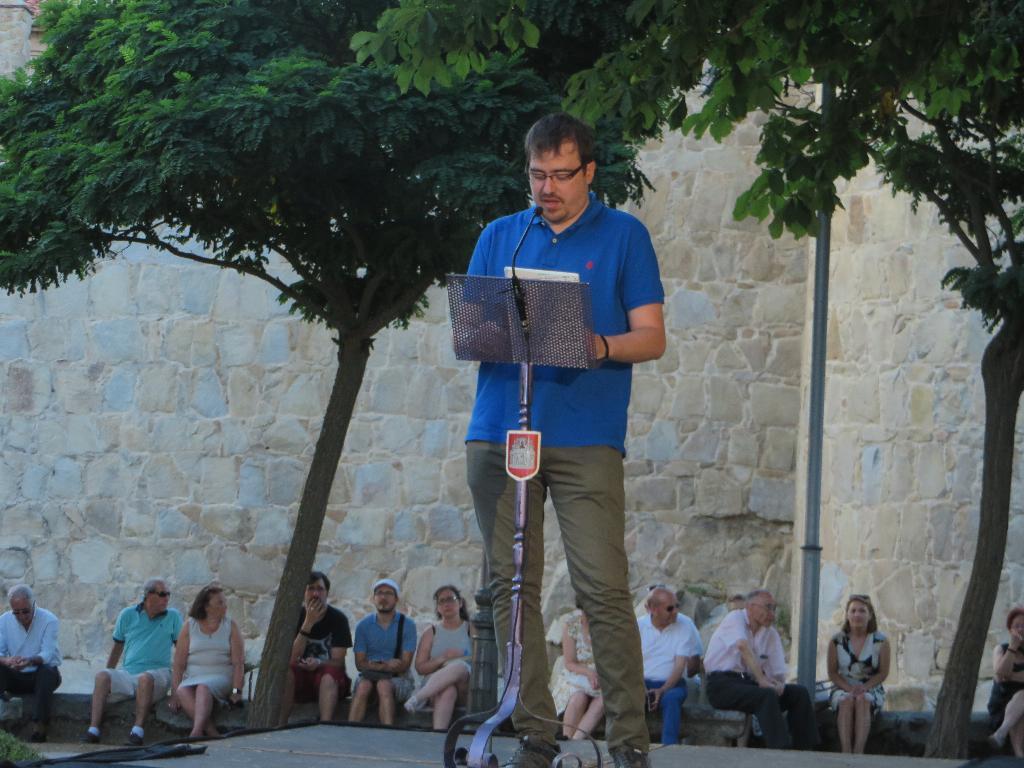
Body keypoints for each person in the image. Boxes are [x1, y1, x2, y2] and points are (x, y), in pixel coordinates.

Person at [466, 112, 665, 768]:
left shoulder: (624, 236)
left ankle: (629, 743)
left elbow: (652, 337)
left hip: (585, 436)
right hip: (501, 431)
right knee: (510, 588)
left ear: (590, 172)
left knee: (602, 588)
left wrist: (597, 344)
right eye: (537, 175)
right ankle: (534, 735)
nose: (547, 188)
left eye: (561, 175)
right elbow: (472, 329)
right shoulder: (502, 236)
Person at [704, 589, 818, 750]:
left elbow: (777, 671)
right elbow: (743, 646)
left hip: (749, 684)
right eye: (768, 607)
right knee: (766, 695)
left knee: (798, 693)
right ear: (750, 607)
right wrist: (763, 680)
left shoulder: (770, 634)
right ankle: (781, 749)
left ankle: (805, 749)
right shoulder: (735, 618)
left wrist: (778, 684)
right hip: (722, 684)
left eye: (774, 608)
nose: (772, 614)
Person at [82, 577, 183, 746]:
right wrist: (109, 674)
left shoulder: (173, 616)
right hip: (129, 673)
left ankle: (137, 731)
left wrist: (176, 691)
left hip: (159, 673)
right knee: (102, 676)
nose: (167, 598)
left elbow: (181, 653)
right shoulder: (127, 615)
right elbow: (117, 648)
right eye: (162, 594)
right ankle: (93, 730)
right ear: (148, 595)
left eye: (168, 594)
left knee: (145, 678)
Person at [169, 583, 244, 738]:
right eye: (220, 602)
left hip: (221, 677)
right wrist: (174, 693)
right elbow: (179, 664)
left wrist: (236, 691)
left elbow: (238, 663)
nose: (225, 606)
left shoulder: (230, 626)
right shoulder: (190, 626)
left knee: (203, 687)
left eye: (224, 602)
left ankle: (196, 732)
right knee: (182, 690)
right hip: (194, 677)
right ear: (206, 607)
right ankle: (210, 731)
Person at [279, 571, 352, 725]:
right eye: (311, 588)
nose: (315, 594)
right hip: (300, 679)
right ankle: (279, 725)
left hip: (328, 680)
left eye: (320, 589)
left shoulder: (338, 619)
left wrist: (319, 663)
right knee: (285, 672)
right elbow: (291, 658)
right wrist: (308, 623)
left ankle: (325, 726)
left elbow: (338, 661)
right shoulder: (293, 617)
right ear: (303, 592)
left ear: (327, 593)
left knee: (329, 675)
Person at [638, 586, 702, 745]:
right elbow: (631, 663)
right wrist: (641, 688)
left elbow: (680, 666)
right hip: (641, 682)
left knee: (672, 699)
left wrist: (662, 690)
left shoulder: (684, 625)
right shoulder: (638, 626)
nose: (675, 611)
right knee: (630, 698)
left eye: (677, 606)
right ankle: (631, 746)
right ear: (653, 609)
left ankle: (669, 747)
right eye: (670, 608)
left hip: (672, 683)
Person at [826, 594, 889, 753]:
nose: (857, 615)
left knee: (863, 699)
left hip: (871, 687)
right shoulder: (836, 641)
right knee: (846, 700)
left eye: (862, 611)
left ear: (870, 615)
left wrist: (864, 688)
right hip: (843, 686)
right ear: (847, 615)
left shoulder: (881, 641)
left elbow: (883, 673)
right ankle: (846, 752)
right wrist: (849, 688)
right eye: (853, 611)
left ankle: (858, 752)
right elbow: (832, 673)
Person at [349, 578, 416, 725]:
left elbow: (404, 665)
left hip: (398, 678)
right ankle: (350, 730)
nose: (383, 597)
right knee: (363, 686)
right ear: (373, 598)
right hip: (369, 676)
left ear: (396, 599)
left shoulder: (408, 625)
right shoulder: (363, 626)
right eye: (379, 593)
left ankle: (388, 732)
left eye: (388, 593)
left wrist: (374, 665)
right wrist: (385, 665)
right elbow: (360, 664)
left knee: (383, 685)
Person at [404, 585, 472, 730]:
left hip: (464, 687)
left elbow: (481, 659)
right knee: (448, 690)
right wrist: (443, 658)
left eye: (451, 599)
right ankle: (438, 735)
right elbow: (420, 668)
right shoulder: (431, 632)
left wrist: (460, 657)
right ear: (438, 608)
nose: (447, 604)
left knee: (459, 666)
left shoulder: (471, 629)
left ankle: (418, 698)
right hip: (435, 690)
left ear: (460, 603)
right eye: (442, 601)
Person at [0, 584, 61, 742]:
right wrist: (7, 660)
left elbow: (48, 654)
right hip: (17, 674)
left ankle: (40, 727)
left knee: (47, 671)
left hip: (41, 674)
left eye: (25, 611)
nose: (21, 616)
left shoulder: (49, 619)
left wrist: (28, 661)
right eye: (16, 612)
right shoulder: (4, 620)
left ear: (33, 604)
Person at [550, 604, 602, 740]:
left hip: (602, 674)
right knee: (578, 698)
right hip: (577, 673)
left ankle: (576, 741)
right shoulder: (572, 623)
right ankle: (566, 737)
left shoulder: (608, 624)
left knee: (603, 700)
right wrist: (589, 673)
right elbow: (569, 662)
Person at [988, 605, 1024, 756]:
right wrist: (1013, 647)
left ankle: (1002, 737)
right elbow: (1000, 674)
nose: (1021, 629)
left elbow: (1003, 676)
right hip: (1002, 706)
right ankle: (1018, 753)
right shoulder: (1001, 649)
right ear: (1010, 630)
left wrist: (1009, 675)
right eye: (1017, 626)